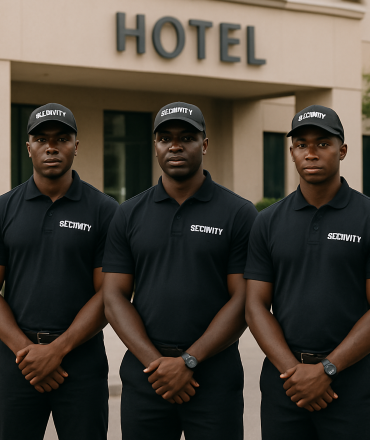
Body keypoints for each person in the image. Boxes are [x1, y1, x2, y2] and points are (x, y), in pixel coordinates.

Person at [102, 101, 257, 440]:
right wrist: (158, 365)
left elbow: (243, 298)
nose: (175, 145)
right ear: (155, 146)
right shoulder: (128, 214)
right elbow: (113, 296)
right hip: (147, 375)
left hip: (215, 376)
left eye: (187, 137)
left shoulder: (238, 213)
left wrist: (188, 361)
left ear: (204, 144)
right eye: (165, 138)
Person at [244, 104, 370, 439]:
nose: (311, 153)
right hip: (286, 385)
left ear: (342, 150)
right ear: (291, 152)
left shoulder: (367, 216)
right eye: (302, 145)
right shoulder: (267, 222)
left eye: (323, 144)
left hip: (354, 383)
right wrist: (294, 372)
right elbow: (255, 305)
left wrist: (328, 370)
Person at [0, 103, 118, 440]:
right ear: (29, 147)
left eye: (62, 138)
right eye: (41, 139)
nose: (51, 146)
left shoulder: (104, 210)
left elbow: (107, 294)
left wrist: (57, 351)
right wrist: (27, 353)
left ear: (76, 146)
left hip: (81, 362)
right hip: (15, 361)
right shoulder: (4, 209)